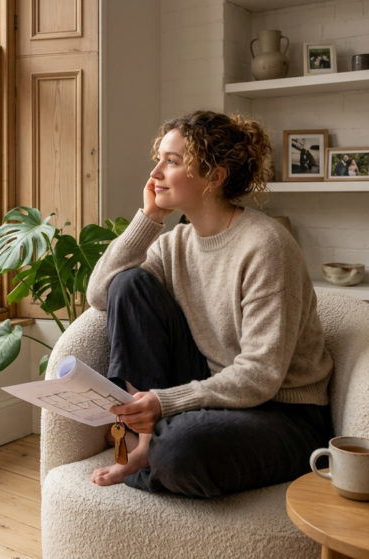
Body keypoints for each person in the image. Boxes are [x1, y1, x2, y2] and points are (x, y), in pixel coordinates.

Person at [86, 110, 334, 498]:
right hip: (213, 384)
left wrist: (166, 403)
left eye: (172, 162)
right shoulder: (175, 244)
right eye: (158, 161)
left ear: (215, 178)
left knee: (182, 451)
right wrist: (150, 218)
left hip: (283, 413)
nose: (155, 174)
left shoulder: (266, 246)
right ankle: (148, 444)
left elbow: (261, 376)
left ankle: (156, 447)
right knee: (129, 283)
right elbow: (100, 294)